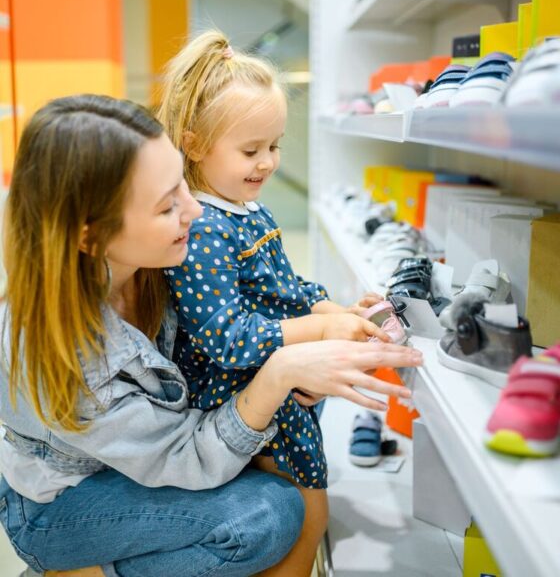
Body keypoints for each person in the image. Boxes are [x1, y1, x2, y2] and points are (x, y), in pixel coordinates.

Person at [0, 94, 420, 577]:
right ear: (90, 236)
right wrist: (281, 370)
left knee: (297, 416)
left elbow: (258, 309)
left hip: (145, 456)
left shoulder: (156, 263)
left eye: (182, 184)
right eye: (165, 207)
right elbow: (185, 456)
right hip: (62, 504)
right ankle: (76, 571)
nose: (195, 211)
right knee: (266, 516)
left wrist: (327, 320)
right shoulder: (67, 357)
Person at [157, 31, 396, 574]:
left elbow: (288, 291)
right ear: (194, 145)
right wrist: (319, 334)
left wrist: (337, 313)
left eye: (274, 146)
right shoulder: (205, 230)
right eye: (251, 150)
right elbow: (226, 336)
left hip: (278, 379)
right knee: (306, 517)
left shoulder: (249, 210)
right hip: (242, 394)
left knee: (310, 516)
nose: (267, 163)